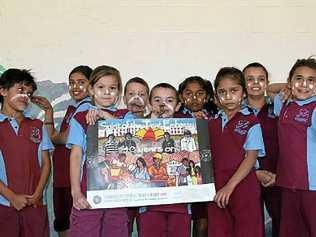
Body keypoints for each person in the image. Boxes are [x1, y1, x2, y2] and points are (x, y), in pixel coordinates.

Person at [67, 65, 134, 237]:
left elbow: (129, 137)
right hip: (87, 192)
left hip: (118, 192)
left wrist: (104, 115)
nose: (106, 92)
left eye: (112, 88)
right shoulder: (80, 118)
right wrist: (75, 192)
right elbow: (75, 155)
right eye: (101, 87)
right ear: (91, 89)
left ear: (118, 91)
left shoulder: (126, 115)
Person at [32, 65, 92, 237]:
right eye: (72, 83)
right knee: (63, 225)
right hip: (62, 178)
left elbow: (64, 138)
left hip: (72, 180)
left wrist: (52, 136)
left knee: (74, 227)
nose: (75, 87)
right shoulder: (74, 108)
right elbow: (57, 136)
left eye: (81, 82)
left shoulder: (86, 108)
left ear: (92, 84)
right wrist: (49, 112)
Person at [208, 67, 265, 237]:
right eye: (222, 92)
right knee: (219, 230)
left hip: (243, 186)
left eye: (234, 90)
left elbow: (251, 157)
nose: (228, 96)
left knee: (248, 231)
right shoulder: (210, 123)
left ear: (243, 92)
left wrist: (230, 186)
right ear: (216, 96)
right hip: (215, 188)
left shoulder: (251, 121)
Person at [0, 69, 53, 237]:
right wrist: (12, 197)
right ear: (3, 91)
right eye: (21, 90)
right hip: (4, 205)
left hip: (35, 205)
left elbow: (46, 164)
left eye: (29, 93)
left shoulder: (37, 126)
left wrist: (37, 195)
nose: (25, 96)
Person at [138, 83, 191, 237]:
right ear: (149, 104)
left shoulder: (187, 127)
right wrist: (152, 123)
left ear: (178, 105)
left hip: (181, 202)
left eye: (169, 100)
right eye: (157, 100)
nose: (163, 105)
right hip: (149, 204)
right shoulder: (140, 128)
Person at [272, 58, 316, 237]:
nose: (304, 84)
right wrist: (288, 88)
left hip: (312, 186)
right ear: (290, 81)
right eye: (299, 78)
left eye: (311, 80)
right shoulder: (282, 103)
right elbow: (271, 88)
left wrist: (297, 85)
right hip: (288, 183)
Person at [243, 62, 281, 237]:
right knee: (251, 226)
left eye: (261, 79)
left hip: (277, 177)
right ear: (242, 84)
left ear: (267, 83)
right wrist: (253, 172)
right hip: (247, 176)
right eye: (250, 79)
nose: (256, 83)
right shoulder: (236, 110)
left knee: (281, 223)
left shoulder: (279, 106)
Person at [177, 76, 217, 237]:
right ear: (181, 96)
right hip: (183, 176)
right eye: (188, 93)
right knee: (181, 222)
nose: (194, 98)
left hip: (205, 175)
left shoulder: (215, 116)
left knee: (203, 223)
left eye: (199, 93)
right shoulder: (175, 116)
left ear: (207, 96)